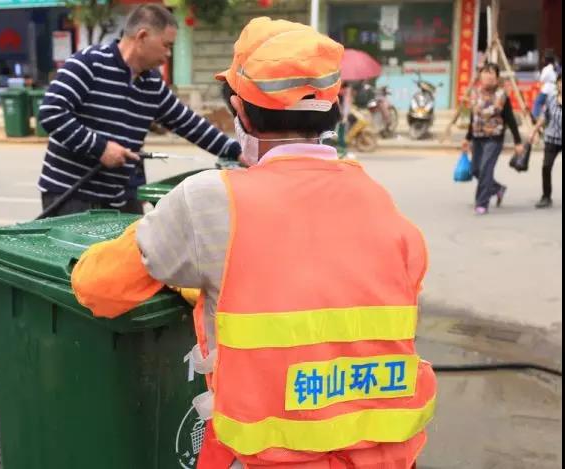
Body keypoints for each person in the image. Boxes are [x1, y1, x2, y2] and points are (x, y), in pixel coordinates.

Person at [71, 18, 436, 468]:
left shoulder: (210, 200)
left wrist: (187, 268)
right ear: (334, 109)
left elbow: (97, 287)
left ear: (240, 114)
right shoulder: (378, 200)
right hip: (392, 456)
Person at [36, 4, 241, 216]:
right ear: (142, 36)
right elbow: (52, 112)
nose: (168, 54)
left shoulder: (151, 83)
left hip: (120, 197)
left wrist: (238, 152)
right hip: (71, 194)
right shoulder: (88, 64)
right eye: (166, 45)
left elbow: (189, 123)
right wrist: (100, 148)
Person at [462, 63, 524, 215]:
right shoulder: (475, 93)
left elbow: (510, 119)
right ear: (480, 75)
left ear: (497, 79)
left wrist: (517, 142)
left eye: (492, 73)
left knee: (485, 169)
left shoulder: (502, 96)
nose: (488, 76)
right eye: (485, 72)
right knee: (475, 169)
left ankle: (481, 203)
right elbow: (473, 117)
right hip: (477, 137)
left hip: (494, 138)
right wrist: (467, 138)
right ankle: (497, 189)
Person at [530, 73, 562, 209]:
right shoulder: (551, 99)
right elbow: (544, 117)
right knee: (546, 166)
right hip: (552, 139)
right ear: (558, 84)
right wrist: (534, 131)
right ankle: (546, 196)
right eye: (561, 82)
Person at [532, 51, 559, 121]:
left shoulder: (547, 68)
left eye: (544, 59)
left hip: (547, 90)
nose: (543, 60)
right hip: (554, 90)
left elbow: (541, 79)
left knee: (538, 102)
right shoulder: (555, 67)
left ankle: (535, 117)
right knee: (549, 106)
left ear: (547, 60)